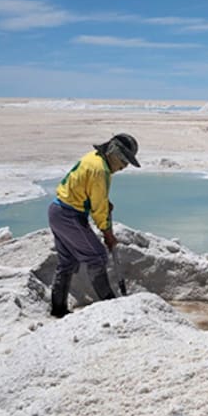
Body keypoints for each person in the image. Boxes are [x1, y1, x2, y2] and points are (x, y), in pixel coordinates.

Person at [47, 133, 140, 318]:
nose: (124, 166)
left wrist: (105, 202)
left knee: (67, 262)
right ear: (113, 151)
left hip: (57, 211)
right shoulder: (101, 170)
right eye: (123, 160)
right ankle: (111, 306)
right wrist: (108, 234)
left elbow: (92, 194)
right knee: (96, 256)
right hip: (69, 215)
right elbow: (98, 210)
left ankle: (58, 310)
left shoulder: (95, 158)